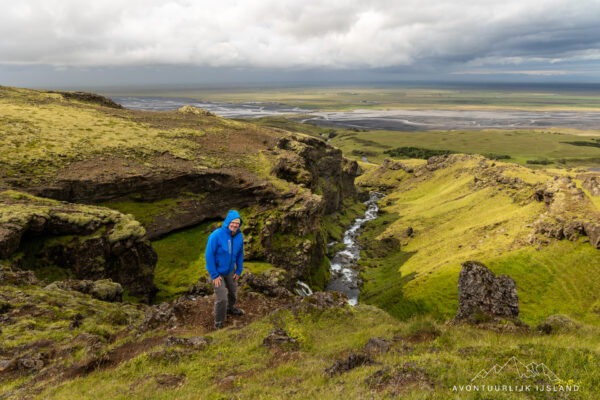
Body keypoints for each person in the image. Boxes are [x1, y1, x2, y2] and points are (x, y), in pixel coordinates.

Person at [205, 210, 244, 330]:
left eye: (237, 223)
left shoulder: (239, 236)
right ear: (227, 222)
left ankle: (230, 309)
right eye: (233, 222)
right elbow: (209, 255)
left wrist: (238, 270)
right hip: (218, 272)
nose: (235, 225)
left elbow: (240, 254)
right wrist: (214, 275)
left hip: (230, 270)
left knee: (233, 292)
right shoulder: (216, 235)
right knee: (222, 298)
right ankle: (218, 324)